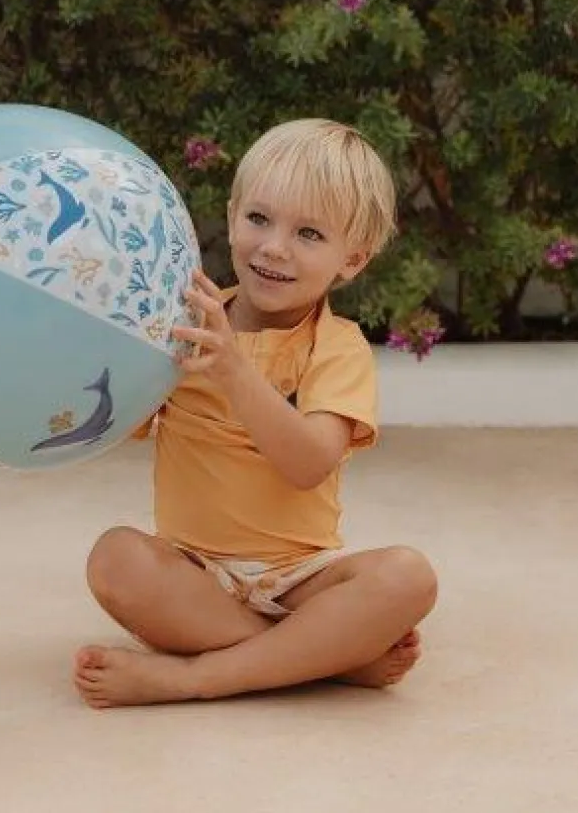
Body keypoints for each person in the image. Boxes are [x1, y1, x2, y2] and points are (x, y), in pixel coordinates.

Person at [73, 118, 438, 709]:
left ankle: (192, 678)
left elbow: (309, 463)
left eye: (310, 234)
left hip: (301, 581)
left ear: (353, 260)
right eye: (259, 219)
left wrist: (234, 371)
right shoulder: (181, 322)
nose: (274, 247)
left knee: (409, 576)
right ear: (232, 211)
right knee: (113, 558)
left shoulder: (337, 347)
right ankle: (322, 657)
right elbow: (111, 420)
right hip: (194, 575)